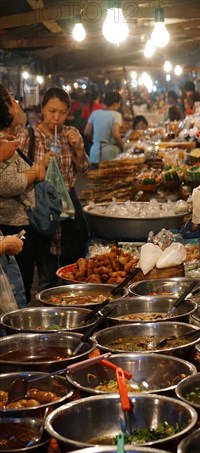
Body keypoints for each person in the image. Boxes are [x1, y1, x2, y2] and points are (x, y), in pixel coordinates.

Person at [17, 86, 89, 293]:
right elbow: (19, 177)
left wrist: (78, 148)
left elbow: (83, 169)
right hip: (42, 213)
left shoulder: (71, 133)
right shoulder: (27, 137)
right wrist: (41, 163)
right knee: (46, 277)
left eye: (63, 112)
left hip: (68, 213)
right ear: (42, 109)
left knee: (73, 273)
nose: (57, 117)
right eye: (51, 111)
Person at [0, 85, 47, 303]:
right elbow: (6, 182)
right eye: (12, 99)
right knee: (17, 290)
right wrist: (34, 174)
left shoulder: (10, 139)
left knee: (21, 286)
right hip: (11, 222)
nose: (18, 103)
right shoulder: (4, 142)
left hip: (18, 223)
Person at [84, 91, 124, 164]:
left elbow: (87, 132)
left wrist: (97, 139)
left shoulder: (95, 113)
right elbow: (116, 135)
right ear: (115, 104)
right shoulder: (116, 115)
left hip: (94, 150)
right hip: (110, 152)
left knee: (94, 174)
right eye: (119, 104)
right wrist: (122, 149)